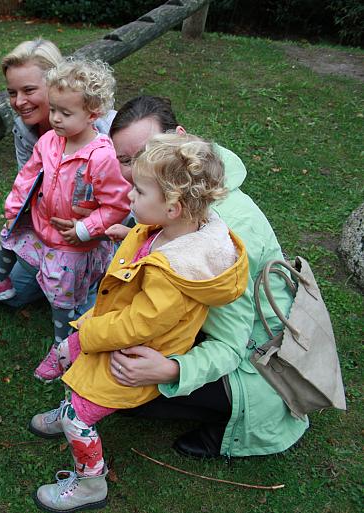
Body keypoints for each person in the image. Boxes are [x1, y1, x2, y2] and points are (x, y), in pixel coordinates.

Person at [29, 133, 249, 512]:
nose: (129, 196)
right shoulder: (172, 232)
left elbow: (140, 324)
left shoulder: (174, 271)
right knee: (72, 361)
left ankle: (90, 484)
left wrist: (91, 331)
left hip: (131, 355)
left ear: (174, 206)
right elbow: (143, 260)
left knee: (78, 420)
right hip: (114, 330)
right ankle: (68, 403)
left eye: (139, 191)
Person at [106, 96, 308, 461]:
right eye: (124, 160)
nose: (135, 170)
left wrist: (168, 369)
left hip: (256, 362)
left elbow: (233, 344)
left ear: (180, 140)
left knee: (122, 387)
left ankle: (227, 419)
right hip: (206, 328)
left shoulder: (222, 242)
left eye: (145, 152)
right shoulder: (177, 190)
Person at [0, 58, 131, 361]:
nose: (54, 118)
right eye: (53, 109)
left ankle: (63, 347)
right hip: (42, 226)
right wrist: (15, 206)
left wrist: (85, 229)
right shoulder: (50, 141)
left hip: (73, 243)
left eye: (65, 113)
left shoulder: (102, 156)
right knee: (10, 235)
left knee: (60, 293)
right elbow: (28, 174)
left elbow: (118, 204)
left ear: (93, 113)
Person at [0, 38, 120, 310]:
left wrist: (90, 228)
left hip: (101, 234)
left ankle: (95, 289)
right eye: (12, 92)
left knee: (79, 301)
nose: (19, 102)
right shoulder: (26, 129)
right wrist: (18, 214)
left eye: (29, 90)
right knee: (16, 294)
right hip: (53, 233)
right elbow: (28, 182)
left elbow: (130, 199)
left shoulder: (107, 133)